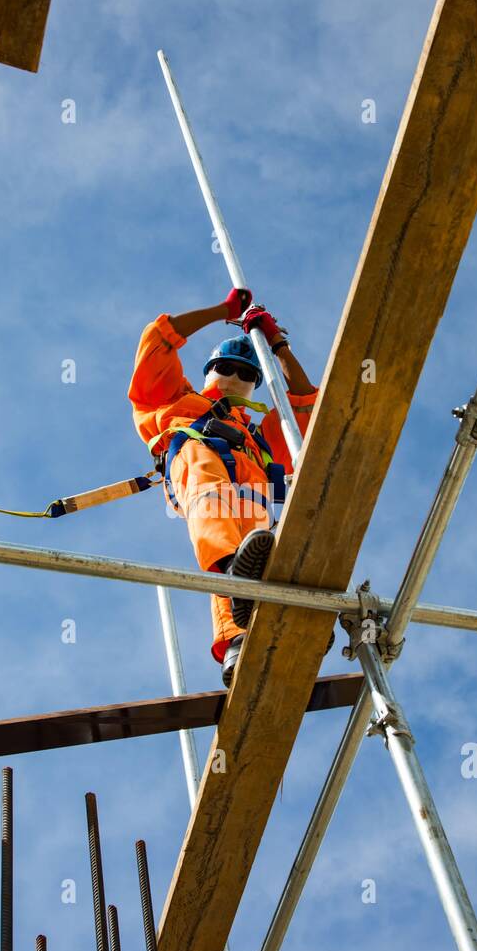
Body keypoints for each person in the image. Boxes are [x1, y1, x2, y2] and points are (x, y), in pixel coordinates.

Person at [128, 287, 322, 686]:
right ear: (209, 371)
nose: (235, 378)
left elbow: (304, 405)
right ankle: (236, 597)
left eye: (248, 374)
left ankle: (267, 621)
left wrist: (278, 346)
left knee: (256, 548)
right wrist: (223, 311)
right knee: (221, 523)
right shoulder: (173, 399)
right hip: (197, 464)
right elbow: (157, 341)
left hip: (252, 501)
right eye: (226, 368)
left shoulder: (259, 435)